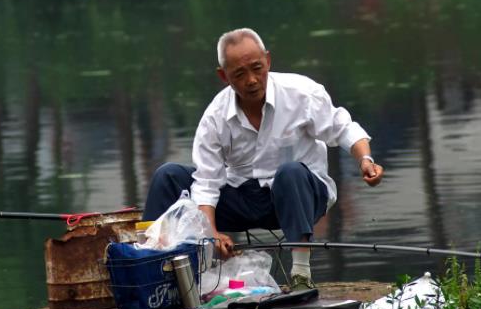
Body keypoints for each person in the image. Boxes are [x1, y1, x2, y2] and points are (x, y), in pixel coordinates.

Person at [142, 27, 384, 291]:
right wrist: (211, 234)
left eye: (257, 68)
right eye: (239, 74)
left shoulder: (301, 92)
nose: (252, 80)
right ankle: (152, 274)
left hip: (300, 195)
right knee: (168, 176)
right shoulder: (215, 116)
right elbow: (207, 182)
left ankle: (301, 274)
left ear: (268, 60)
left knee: (290, 172)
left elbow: (343, 128)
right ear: (224, 76)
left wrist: (365, 160)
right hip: (244, 197)